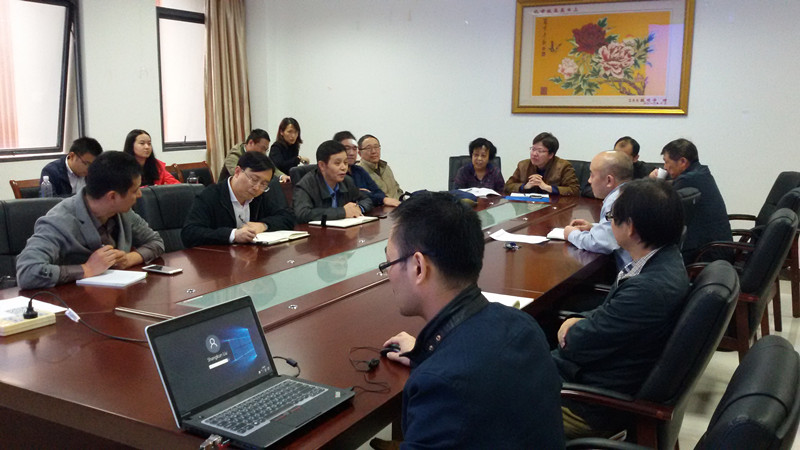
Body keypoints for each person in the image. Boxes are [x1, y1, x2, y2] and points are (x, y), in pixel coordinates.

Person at [373, 191, 564, 449]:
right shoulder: (523, 324)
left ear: (418, 267)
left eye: (389, 264)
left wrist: (436, 362)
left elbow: (456, 379)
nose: (389, 275)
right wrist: (428, 351)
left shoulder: (440, 384)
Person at [553, 179, 689, 438]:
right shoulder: (663, 261)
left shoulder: (648, 290)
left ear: (631, 228)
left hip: (587, 403)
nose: (609, 224)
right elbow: (609, 313)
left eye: (612, 218)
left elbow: (578, 344)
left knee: (492, 397)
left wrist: (572, 328)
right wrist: (577, 319)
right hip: (601, 375)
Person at [16, 151, 165, 289]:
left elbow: (156, 242)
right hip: (72, 302)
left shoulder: (122, 212)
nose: (139, 195)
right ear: (112, 196)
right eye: (135, 190)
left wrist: (129, 258)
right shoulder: (59, 221)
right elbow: (27, 271)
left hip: (116, 296)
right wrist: (86, 269)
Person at [182, 151, 295, 247]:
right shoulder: (210, 196)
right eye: (254, 179)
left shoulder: (260, 196)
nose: (257, 188)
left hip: (250, 258)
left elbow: (287, 217)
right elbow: (190, 233)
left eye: (264, 184)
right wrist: (233, 235)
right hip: (218, 260)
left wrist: (263, 225)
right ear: (237, 172)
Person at [649, 138, 732, 263]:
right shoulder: (700, 173)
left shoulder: (688, 180)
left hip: (707, 253)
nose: (665, 167)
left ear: (682, 161)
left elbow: (663, 205)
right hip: (717, 246)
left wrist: (651, 182)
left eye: (666, 162)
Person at [564, 151, 633, 267]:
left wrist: (572, 234)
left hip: (630, 272)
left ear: (609, 180)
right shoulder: (631, 191)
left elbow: (601, 243)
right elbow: (619, 229)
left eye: (592, 175)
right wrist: (594, 227)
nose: (589, 181)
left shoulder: (615, 200)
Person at [293, 140, 373, 224]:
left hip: (343, 229)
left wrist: (358, 208)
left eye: (345, 162)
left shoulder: (347, 181)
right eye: (337, 163)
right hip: (315, 231)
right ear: (322, 165)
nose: (343, 167)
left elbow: (366, 199)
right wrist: (343, 212)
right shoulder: (306, 185)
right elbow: (303, 214)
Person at [333, 131, 400, 207]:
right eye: (347, 148)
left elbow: (378, 192)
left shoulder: (359, 170)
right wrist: (365, 194)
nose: (351, 153)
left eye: (354, 149)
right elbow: (354, 198)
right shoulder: (335, 174)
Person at [504, 132, 580, 196]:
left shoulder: (564, 166)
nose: (534, 154)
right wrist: (525, 186)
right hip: (527, 205)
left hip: (555, 206)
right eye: (533, 149)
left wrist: (547, 187)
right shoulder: (523, 165)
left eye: (540, 151)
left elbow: (574, 190)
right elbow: (507, 186)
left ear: (551, 155)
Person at [356, 134, 404, 200]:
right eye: (368, 148)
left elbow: (397, 189)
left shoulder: (385, 167)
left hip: (398, 205)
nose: (373, 151)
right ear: (359, 153)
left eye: (376, 147)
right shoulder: (358, 173)